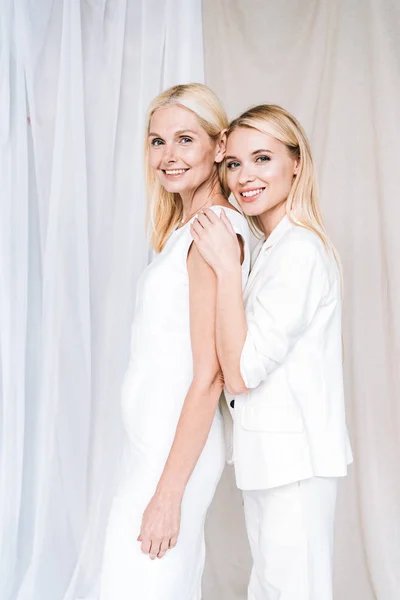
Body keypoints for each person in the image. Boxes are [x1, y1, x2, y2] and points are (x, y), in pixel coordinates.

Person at [191, 104, 353, 600]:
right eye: (234, 164)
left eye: (262, 158)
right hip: (273, 459)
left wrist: (222, 268)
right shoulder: (273, 248)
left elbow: (241, 373)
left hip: (294, 464)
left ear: (296, 162)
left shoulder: (300, 251)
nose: (244, 177)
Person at [99, 83, 250, 600]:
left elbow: (209, 376)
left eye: (185, 139)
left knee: (144, 583)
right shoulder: (184, 230)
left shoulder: (212, 229)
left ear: (219, 144)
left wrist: (168, 494)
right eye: (157, 141)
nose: (167, 156)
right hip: (149, 448)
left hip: (173, 456)